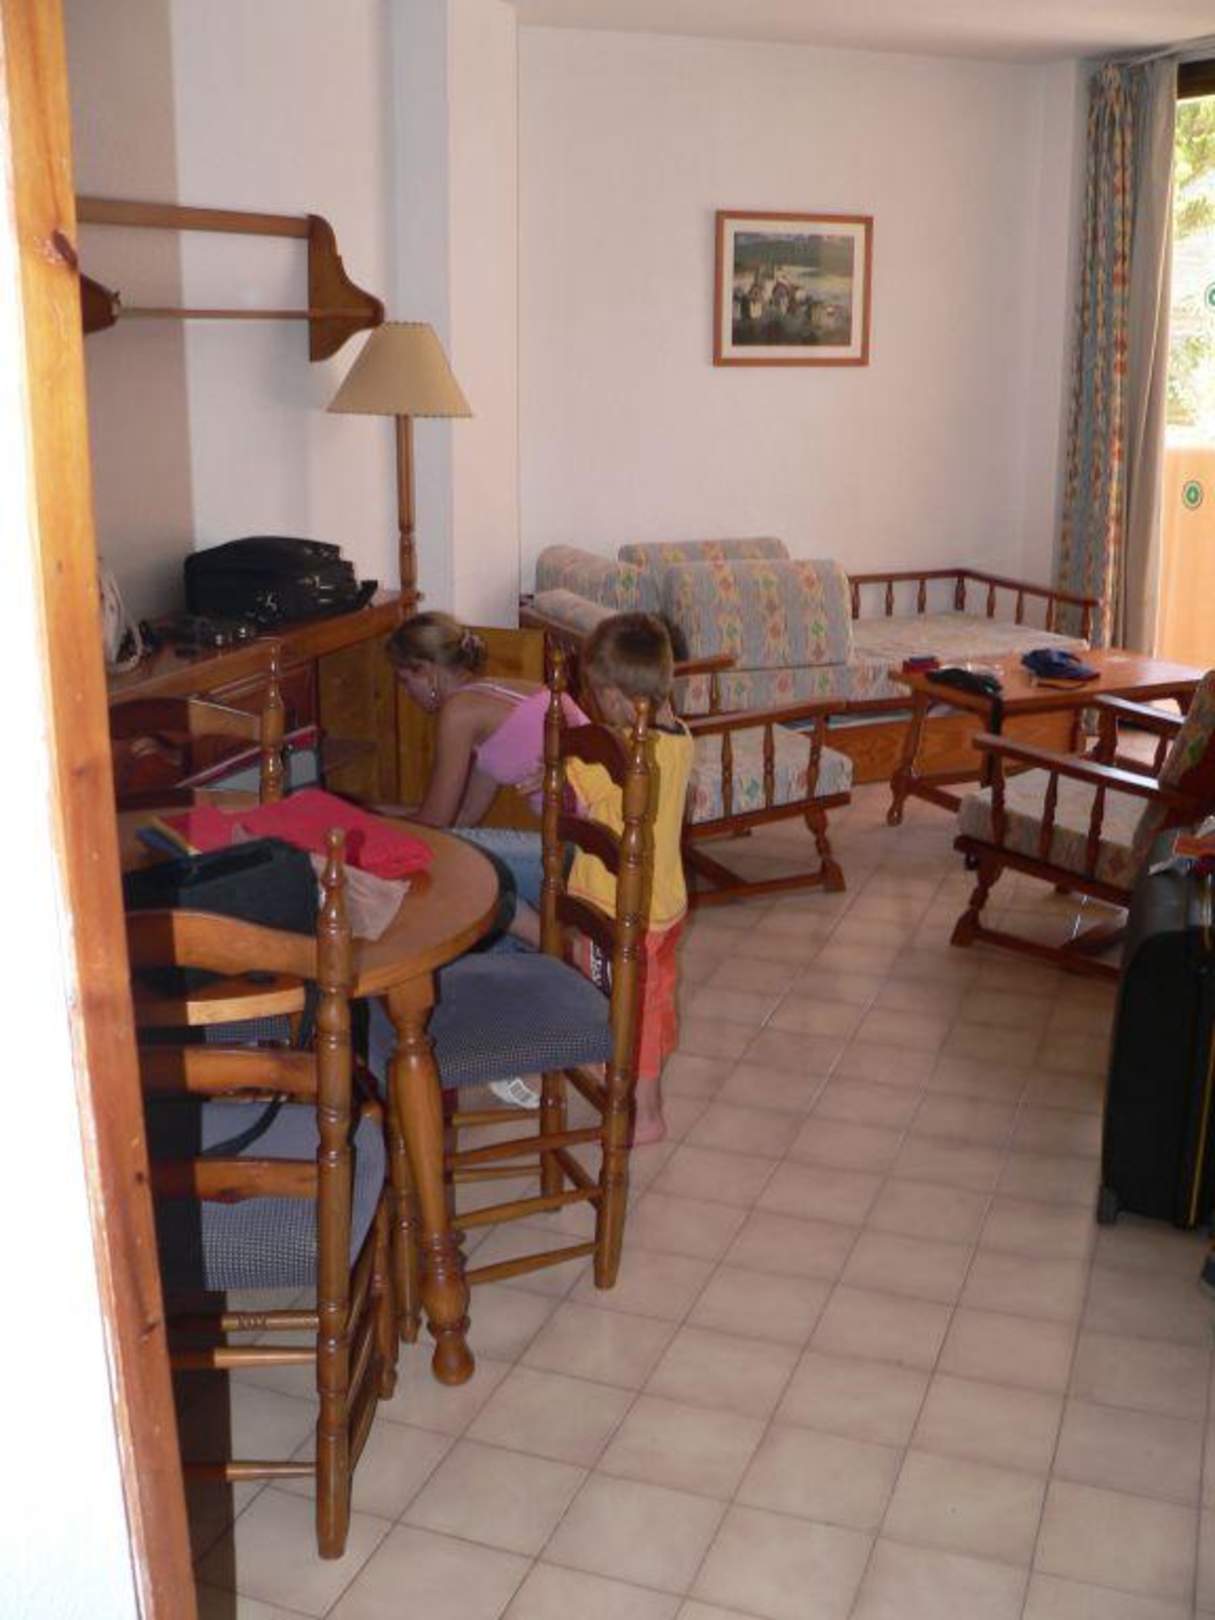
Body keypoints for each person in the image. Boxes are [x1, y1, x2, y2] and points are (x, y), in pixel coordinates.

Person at [563, 612, 694, 1145]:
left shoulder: (613, 756)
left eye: (597, 693)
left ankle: (631, 1100)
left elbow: (569, 790)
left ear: (616, 698)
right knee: (652, 1001)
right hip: (664, 908)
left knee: (617, 1005)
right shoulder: (679, 739)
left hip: (617, 910)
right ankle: (648, 1102)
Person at [386, 611, 585, 948]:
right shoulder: (495, 694)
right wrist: (370, 811)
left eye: (405, 680)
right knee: (458, 860)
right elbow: (464, 816)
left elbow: (434, 822)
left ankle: (557, 946)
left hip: (582, 857)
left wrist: (369, 823)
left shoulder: (460, 712)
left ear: (427, 671)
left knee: (448, 865)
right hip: (598, 840)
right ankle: (534, 944)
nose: (406, 692)